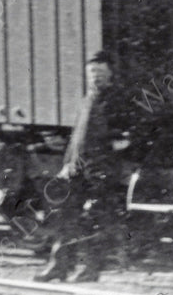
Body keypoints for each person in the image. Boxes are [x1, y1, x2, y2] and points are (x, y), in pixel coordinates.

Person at [35, 51, 122, 282]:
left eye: (101, 72)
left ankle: (90, 269)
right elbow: (77, 139)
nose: (96, 77)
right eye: (92, 72)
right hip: (77, 169)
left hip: (99, 171)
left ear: (111, 74)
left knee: (91, 218)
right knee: (64, 216)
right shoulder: (88, 100)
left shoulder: (117, 102)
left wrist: (111, 151)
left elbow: (125, 138)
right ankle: (59, 266)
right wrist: (67, 164)